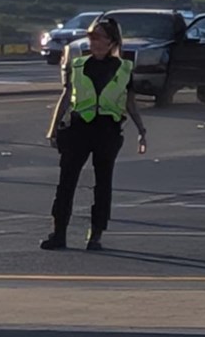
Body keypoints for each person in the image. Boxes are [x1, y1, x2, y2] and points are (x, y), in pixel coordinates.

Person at [41, 14, 148, 251]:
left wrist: (142, 130)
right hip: (79, 128)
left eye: (98, 37)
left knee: (103, 184)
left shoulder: (124, 69)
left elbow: (130, 102)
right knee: (66, 182)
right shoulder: (79, 65)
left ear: (111, 42)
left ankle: (96, 235)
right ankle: (59, 233)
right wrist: (53, 128)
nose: (93, 41)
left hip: (107, 131)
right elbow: (66, 96)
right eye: (90, 36)